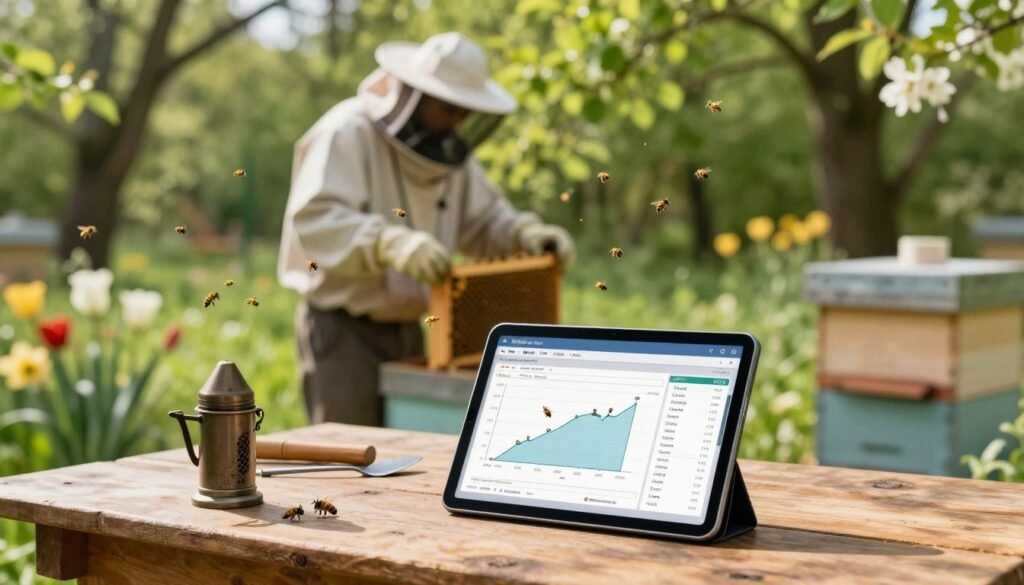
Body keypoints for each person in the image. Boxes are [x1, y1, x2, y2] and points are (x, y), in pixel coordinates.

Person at [278, 32, 575, 426]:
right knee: (347, 457)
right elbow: (315, 222)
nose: (456, 121)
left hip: (414, 329)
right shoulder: (347, 131)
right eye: (446, 108)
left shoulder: (450, 157)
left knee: (410, 458)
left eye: (463, 111)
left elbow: (484, 222)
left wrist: (524, 236)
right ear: (415, 95)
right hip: (344, 329)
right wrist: (386, 243)